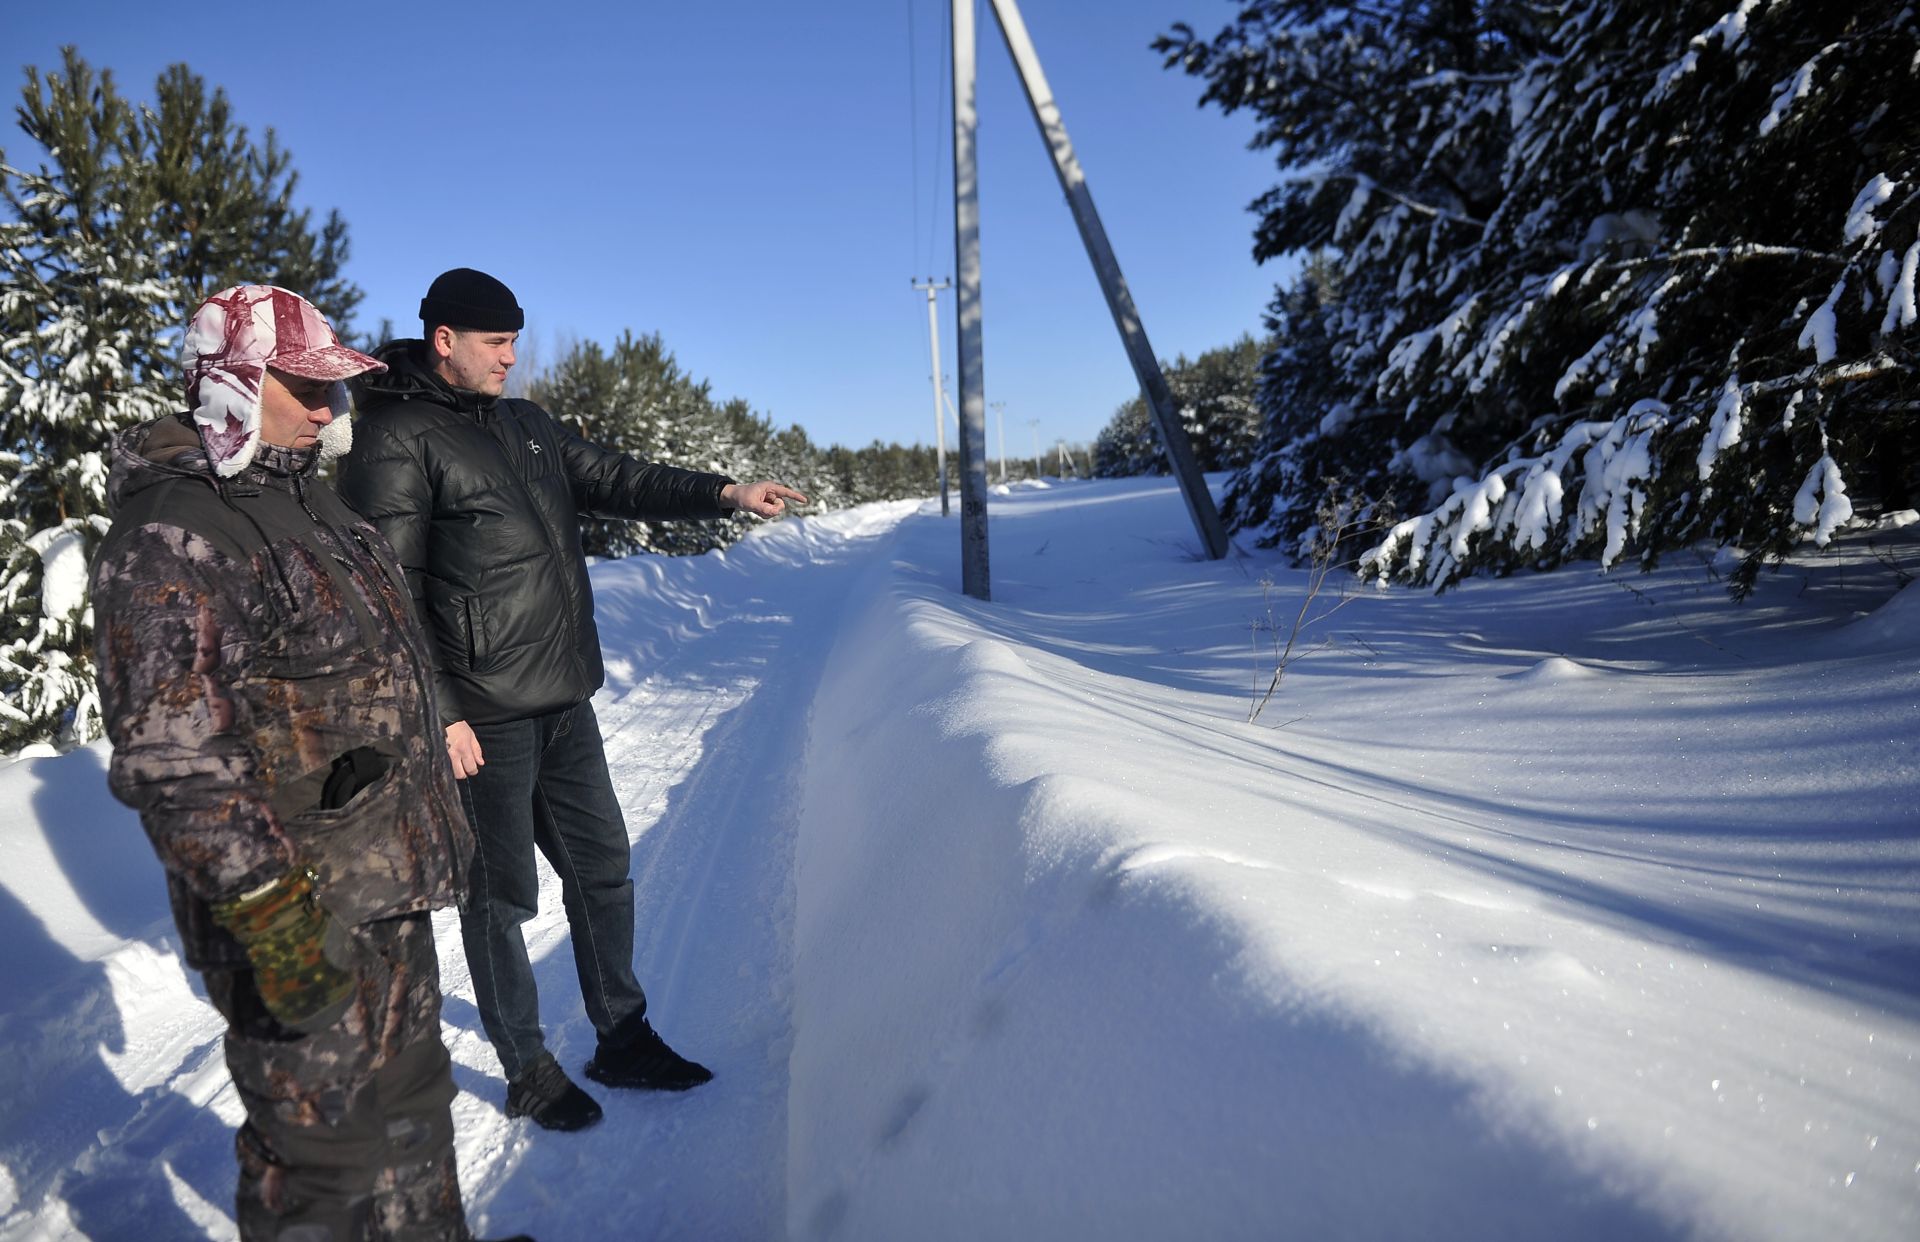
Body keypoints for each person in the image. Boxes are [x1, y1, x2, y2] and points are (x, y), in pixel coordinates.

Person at [92, 286, 529, 1240]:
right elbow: (176, 757)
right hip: (294, 909)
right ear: (234, 385)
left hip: (385, 881)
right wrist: (273, 918)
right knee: (324, 1160)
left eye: (335, 389)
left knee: (413, 1107)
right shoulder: (176, 532)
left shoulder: (309, 501)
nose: (331, 410)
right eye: (307, 388)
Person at [338, 268, 806, 1132]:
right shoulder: (395, 437)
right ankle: (526, 1068)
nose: (510, 358)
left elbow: (621, 479)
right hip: (483, 715)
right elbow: (388, 591)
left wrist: (724, 493)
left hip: (561, 696)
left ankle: (622, 1038)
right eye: (495, 343)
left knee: (603, 868)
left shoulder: (526, 425)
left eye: (515, 341)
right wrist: (441, 711)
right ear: (444, 340)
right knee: (500, 899)